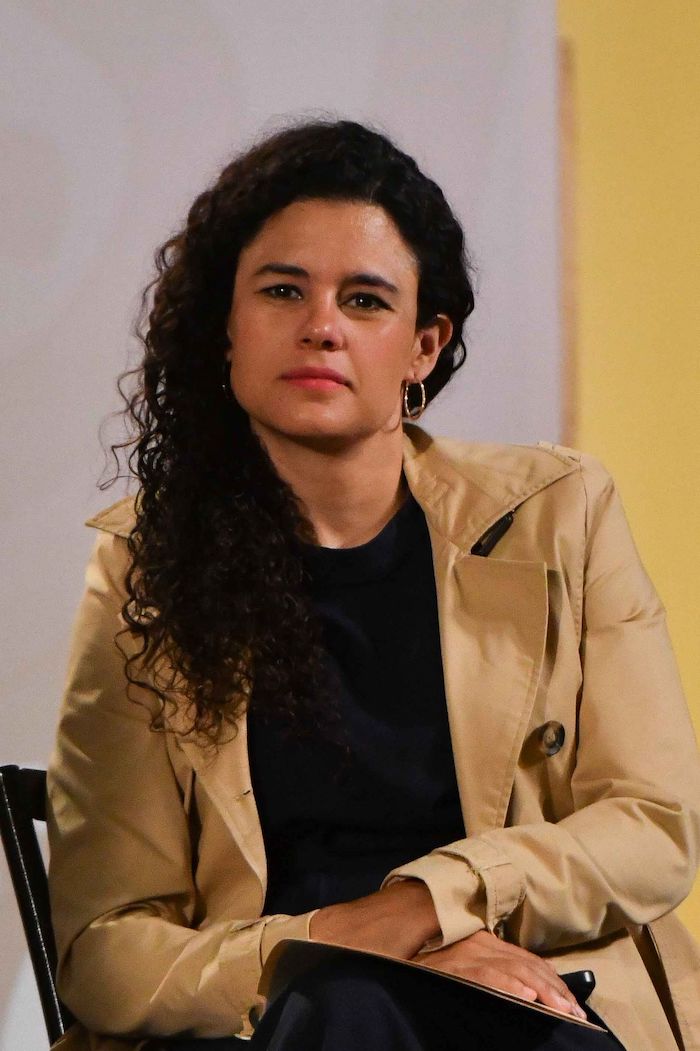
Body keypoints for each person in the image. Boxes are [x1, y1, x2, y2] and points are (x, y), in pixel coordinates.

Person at [46, 119, 700, 1051]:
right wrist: (333, 941)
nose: (321, 325)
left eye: (365, 299)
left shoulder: (563, 515)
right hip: (268, 1023)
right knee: (342, 1011)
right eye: (282, 290)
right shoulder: (140, 573)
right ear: (224, 331)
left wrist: (432, 904)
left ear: (424, 346)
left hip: (528, 995)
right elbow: (107, 948)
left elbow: (654, 824)